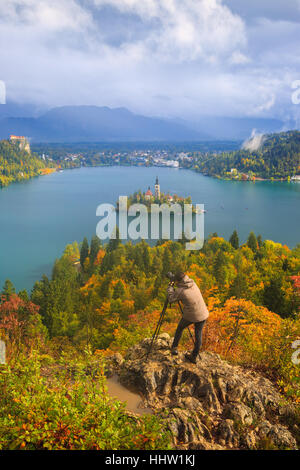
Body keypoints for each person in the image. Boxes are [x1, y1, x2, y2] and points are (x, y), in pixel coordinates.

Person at [167, 271, 209, 364]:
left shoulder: (180, 291)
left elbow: (171, 299)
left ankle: (174, 348)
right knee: (198, 334)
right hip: (203, 313)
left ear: (178, 281)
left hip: (192, 315)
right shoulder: (192, 282)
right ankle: (194, 356)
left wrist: (170, 287)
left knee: (180, 327)